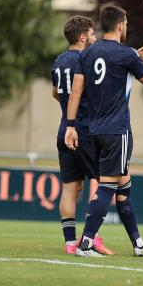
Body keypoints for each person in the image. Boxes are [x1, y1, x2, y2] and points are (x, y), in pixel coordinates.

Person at [65, 5, 143, 257]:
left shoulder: (88, 54)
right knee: (109, 186)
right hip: (117, 130)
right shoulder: (125, 55)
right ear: (121, 25)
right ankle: (87, 243)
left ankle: (139, 244)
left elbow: (76, 91)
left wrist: (70, 126)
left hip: (94, 129)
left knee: (123, 186)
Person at [51, 15, 112, 255]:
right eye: (92, 34)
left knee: (70, 188)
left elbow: (56, 93)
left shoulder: (58, 61)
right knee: (99, 184)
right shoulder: (87, 60)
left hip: (63, 129)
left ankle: (69, 243)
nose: (95, 38)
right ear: (83, 37)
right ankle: (92, 238)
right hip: (85, 131)